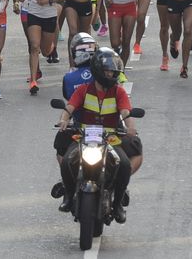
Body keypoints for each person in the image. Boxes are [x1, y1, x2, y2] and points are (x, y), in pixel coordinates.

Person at [56, 48, 137, 222]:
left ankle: (118, 205)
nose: (111, 75)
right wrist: (63, 120)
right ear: (98, 70)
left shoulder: (119, 92)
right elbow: (69, 108)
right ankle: (68, 197)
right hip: (83, 136)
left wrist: (131, 128)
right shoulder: (83, 90)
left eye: (114, 72)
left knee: (124, 165)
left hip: (111, 138)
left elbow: (126, 113)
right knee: (68, 161)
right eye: (108, 71)